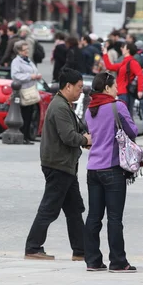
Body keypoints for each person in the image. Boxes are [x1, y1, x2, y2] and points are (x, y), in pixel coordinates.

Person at [25, 69, 91, 261]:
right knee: (49, 208)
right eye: (78, 87)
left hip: (65, 164)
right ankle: (33, 247)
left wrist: (84, 138)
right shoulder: (60, 107)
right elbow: (69, 136)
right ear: (68, 86)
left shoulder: (64, 104)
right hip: (58, 164)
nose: (80, 91)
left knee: (74, 209)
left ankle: (80, 251)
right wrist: (85, 139)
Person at [84, 72, 138, 273]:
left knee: (94, 216)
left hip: (93, 168)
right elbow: (132, 131)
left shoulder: (90, 109)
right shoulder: (118, 106)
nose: (117, 90)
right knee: (114, 218)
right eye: (115, 86)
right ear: (107, 88)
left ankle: (93, 260)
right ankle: (117, 261)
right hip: (113, 168)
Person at [102, 42, 143, 117]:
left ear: (128, 50)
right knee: (124, 115)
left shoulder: (132, 62)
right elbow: (109, 66)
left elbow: (140, 75)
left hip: (126, 92)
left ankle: (130, 129)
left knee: (125, 115)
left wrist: (140, 90)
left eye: (124, 47)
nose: (122, 48)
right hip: (122, 92)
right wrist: (105, 53)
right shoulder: (125, 62)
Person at [11, 40, 41, 145]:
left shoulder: (28, 60)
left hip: (31, 89)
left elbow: (33, 70)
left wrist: (36, 75)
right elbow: (15, 75)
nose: (27, 51)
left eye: (27, 49)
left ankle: (28, 135)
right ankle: (24, 135)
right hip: (23, 90)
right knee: (25, 113)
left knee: (30, 113)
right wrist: (30, 76)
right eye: (24, 50)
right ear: (19, 51)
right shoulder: (16, 61)